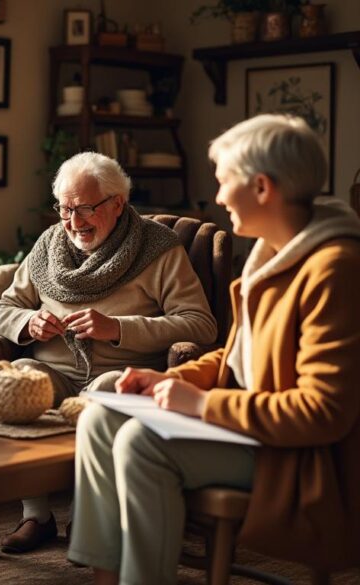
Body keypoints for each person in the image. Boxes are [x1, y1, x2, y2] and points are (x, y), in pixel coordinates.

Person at [69, 115, 360, 584]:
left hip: (296, 457)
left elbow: (323, 411)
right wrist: (169, 381)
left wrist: (203, 405)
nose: (219, 197)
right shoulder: (270, 253)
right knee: (101, 413)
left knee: (141, 444)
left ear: (262, 187)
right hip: (249, 429)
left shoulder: (334, 269)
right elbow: (238, 357)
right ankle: (107, 578)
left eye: (225, 182)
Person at [0, 151, 217, 553]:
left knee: (107, 390)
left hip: (121, 373)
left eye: (85, 209)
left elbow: (200, 324)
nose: (74, 222)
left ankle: (86, 518)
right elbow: (4, 307)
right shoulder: (47, 245)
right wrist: (28, 322)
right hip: (55, 371)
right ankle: (36, 516)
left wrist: (118, 328)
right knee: (18, 380)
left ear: (117, 203)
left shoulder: (157, 248)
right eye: (65, 209)